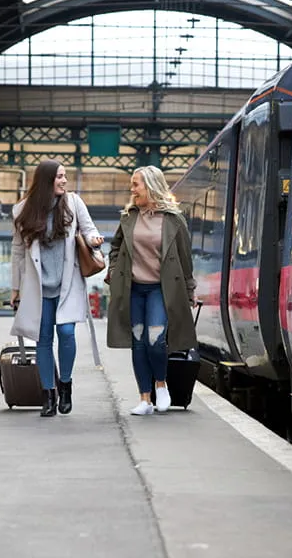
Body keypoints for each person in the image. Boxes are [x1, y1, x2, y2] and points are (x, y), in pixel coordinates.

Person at [10, 159, 103, 417]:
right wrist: (15, 289)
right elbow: (17, 252)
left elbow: (89, 228)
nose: (64, 180)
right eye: (59, 177)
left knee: (66, 332)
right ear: (45, 181)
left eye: (65, 176)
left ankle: (66, 386)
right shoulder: (22, 211)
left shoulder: (73, 203)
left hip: (67, 282)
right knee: (43, 339)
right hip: (37, 286)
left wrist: (94, 239)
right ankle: (47, 394)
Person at [106, 165, 197, 415]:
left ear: (151, 186)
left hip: (161, 289)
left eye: (136, 184)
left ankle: (161, 384)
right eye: (132, 184)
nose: (132, 189)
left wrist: (190, 289)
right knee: (138, 342)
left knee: (155, 340)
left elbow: (184, 257)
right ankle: (145, 399)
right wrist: (114, 270)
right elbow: (115, 248)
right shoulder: (129, 217)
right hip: (132, 288)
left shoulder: (173, 220)